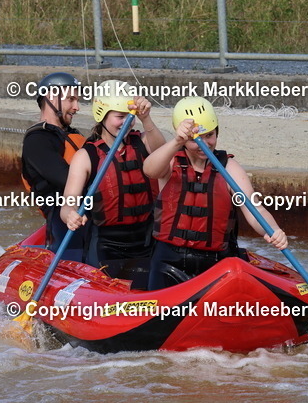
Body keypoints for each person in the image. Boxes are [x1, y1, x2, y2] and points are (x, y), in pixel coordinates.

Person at [142, 96, 288, 290]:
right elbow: (149, 170)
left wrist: (274, 230)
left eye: (210, 135)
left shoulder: (230, 168)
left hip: (216, 263)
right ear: (184, 139)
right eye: (197, 139)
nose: (206, 143)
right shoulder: (169, 161)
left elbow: (255, 210)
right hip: (169, 260)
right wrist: (177, 141)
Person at [59, 80, 165, 266]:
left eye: (130, 116)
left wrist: (146, 118)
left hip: (148, 239)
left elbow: (163, 154)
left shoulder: (143, 141)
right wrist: (70, 215)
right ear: (101, 114)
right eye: (120, 116)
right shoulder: (86, 156)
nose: (127, 122)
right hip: (107, 245)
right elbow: (68, 203)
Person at [20, 71, 85, 260]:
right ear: (51, 97)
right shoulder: (37, 140)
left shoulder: (72, 135)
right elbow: (66, 179)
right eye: (71, 99)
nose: (77, 107)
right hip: (64, 222)